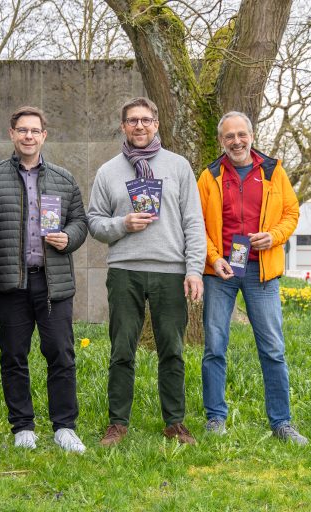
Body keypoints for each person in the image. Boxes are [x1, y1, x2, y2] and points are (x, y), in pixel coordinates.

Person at [88, 97, 206, 446]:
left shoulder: (179, 166)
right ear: (123, 126)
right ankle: (117, 424)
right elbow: (94, 222)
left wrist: (194, 269)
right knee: (121, 348)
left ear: (156, 124)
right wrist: (122, 224)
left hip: (170, 271)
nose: (139, 126)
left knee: (172, 348)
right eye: (132, 120)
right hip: (125, 270)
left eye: (146, 120)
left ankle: (175, 423)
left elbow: (193, 222)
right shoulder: (108, 171)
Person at [0, 106, 88, 453]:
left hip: (53, 282)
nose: (28, 136)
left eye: (34, 130)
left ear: (44, 135)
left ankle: (64, 427)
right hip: (11, 284)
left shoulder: (64, 179)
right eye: (22, 130)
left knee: (61, 353)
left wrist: (68, 238)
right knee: (13, 355)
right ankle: (23, 426)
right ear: (11, 134)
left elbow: (80, 223)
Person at [197, 111, 308, 445]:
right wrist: (214, 260)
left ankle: (282, 423)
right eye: (229, 136)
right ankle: (215, 418)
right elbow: (196, 224)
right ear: (221, 141)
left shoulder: (274, 172)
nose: (236, 141)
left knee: (273, 348)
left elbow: (292, 213)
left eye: (241, 134)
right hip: (221, 273)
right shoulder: (209, 176)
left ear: (252, 136)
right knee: (214, 347)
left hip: (262, 272)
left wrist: (273, 237)